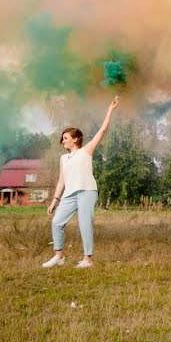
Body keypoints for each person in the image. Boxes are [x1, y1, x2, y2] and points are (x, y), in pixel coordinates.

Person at [42, 96, 119, 269]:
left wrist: (110, 109)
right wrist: (55, 200)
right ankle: (59, 256)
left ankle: (87, 259)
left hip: (87, 191)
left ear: (76, 139)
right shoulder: (63, 158)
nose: (63, 141)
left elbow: (102, 130)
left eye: (66, 138)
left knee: (85, 224)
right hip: (69, 194)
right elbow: (62, 180)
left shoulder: (86, 150)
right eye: (62, 139)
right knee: (57, 222)